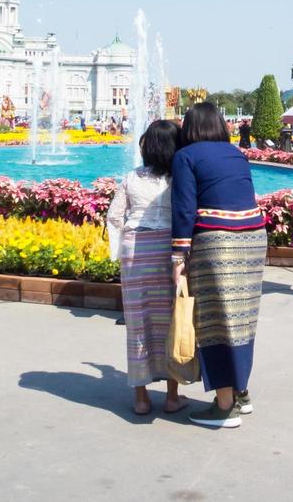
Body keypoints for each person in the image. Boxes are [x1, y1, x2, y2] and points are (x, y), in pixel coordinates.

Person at [170, 102, 267, 430]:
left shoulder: (186, 157)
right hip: (253, 237)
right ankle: (241, 393)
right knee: (241, 319)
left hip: (217, 241)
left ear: (190, 128)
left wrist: (178, 257)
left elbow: (184, 209)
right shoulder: (236, 154)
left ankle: (225, 407)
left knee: (214, 320)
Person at [106, 119, 188, 415]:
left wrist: (120, 250)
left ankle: (141, 398)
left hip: (135, 251)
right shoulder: (178, 178)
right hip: (168, 251)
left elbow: (115, 217)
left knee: (138, 322)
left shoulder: (131, 177)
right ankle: (171, 396)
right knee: (170, 321)